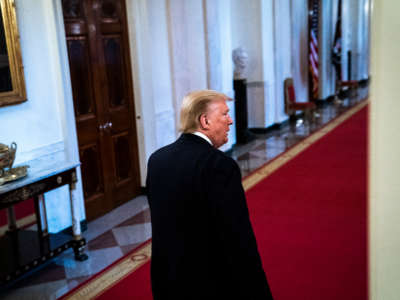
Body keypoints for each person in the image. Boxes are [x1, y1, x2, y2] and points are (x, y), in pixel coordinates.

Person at [146, 90, 273, 300]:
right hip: (208, 285)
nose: (231, 121)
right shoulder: (219, 165)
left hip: (167, 280)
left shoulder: (157, 160)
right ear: (204, 121)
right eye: (224, 114)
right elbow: (237, 238)